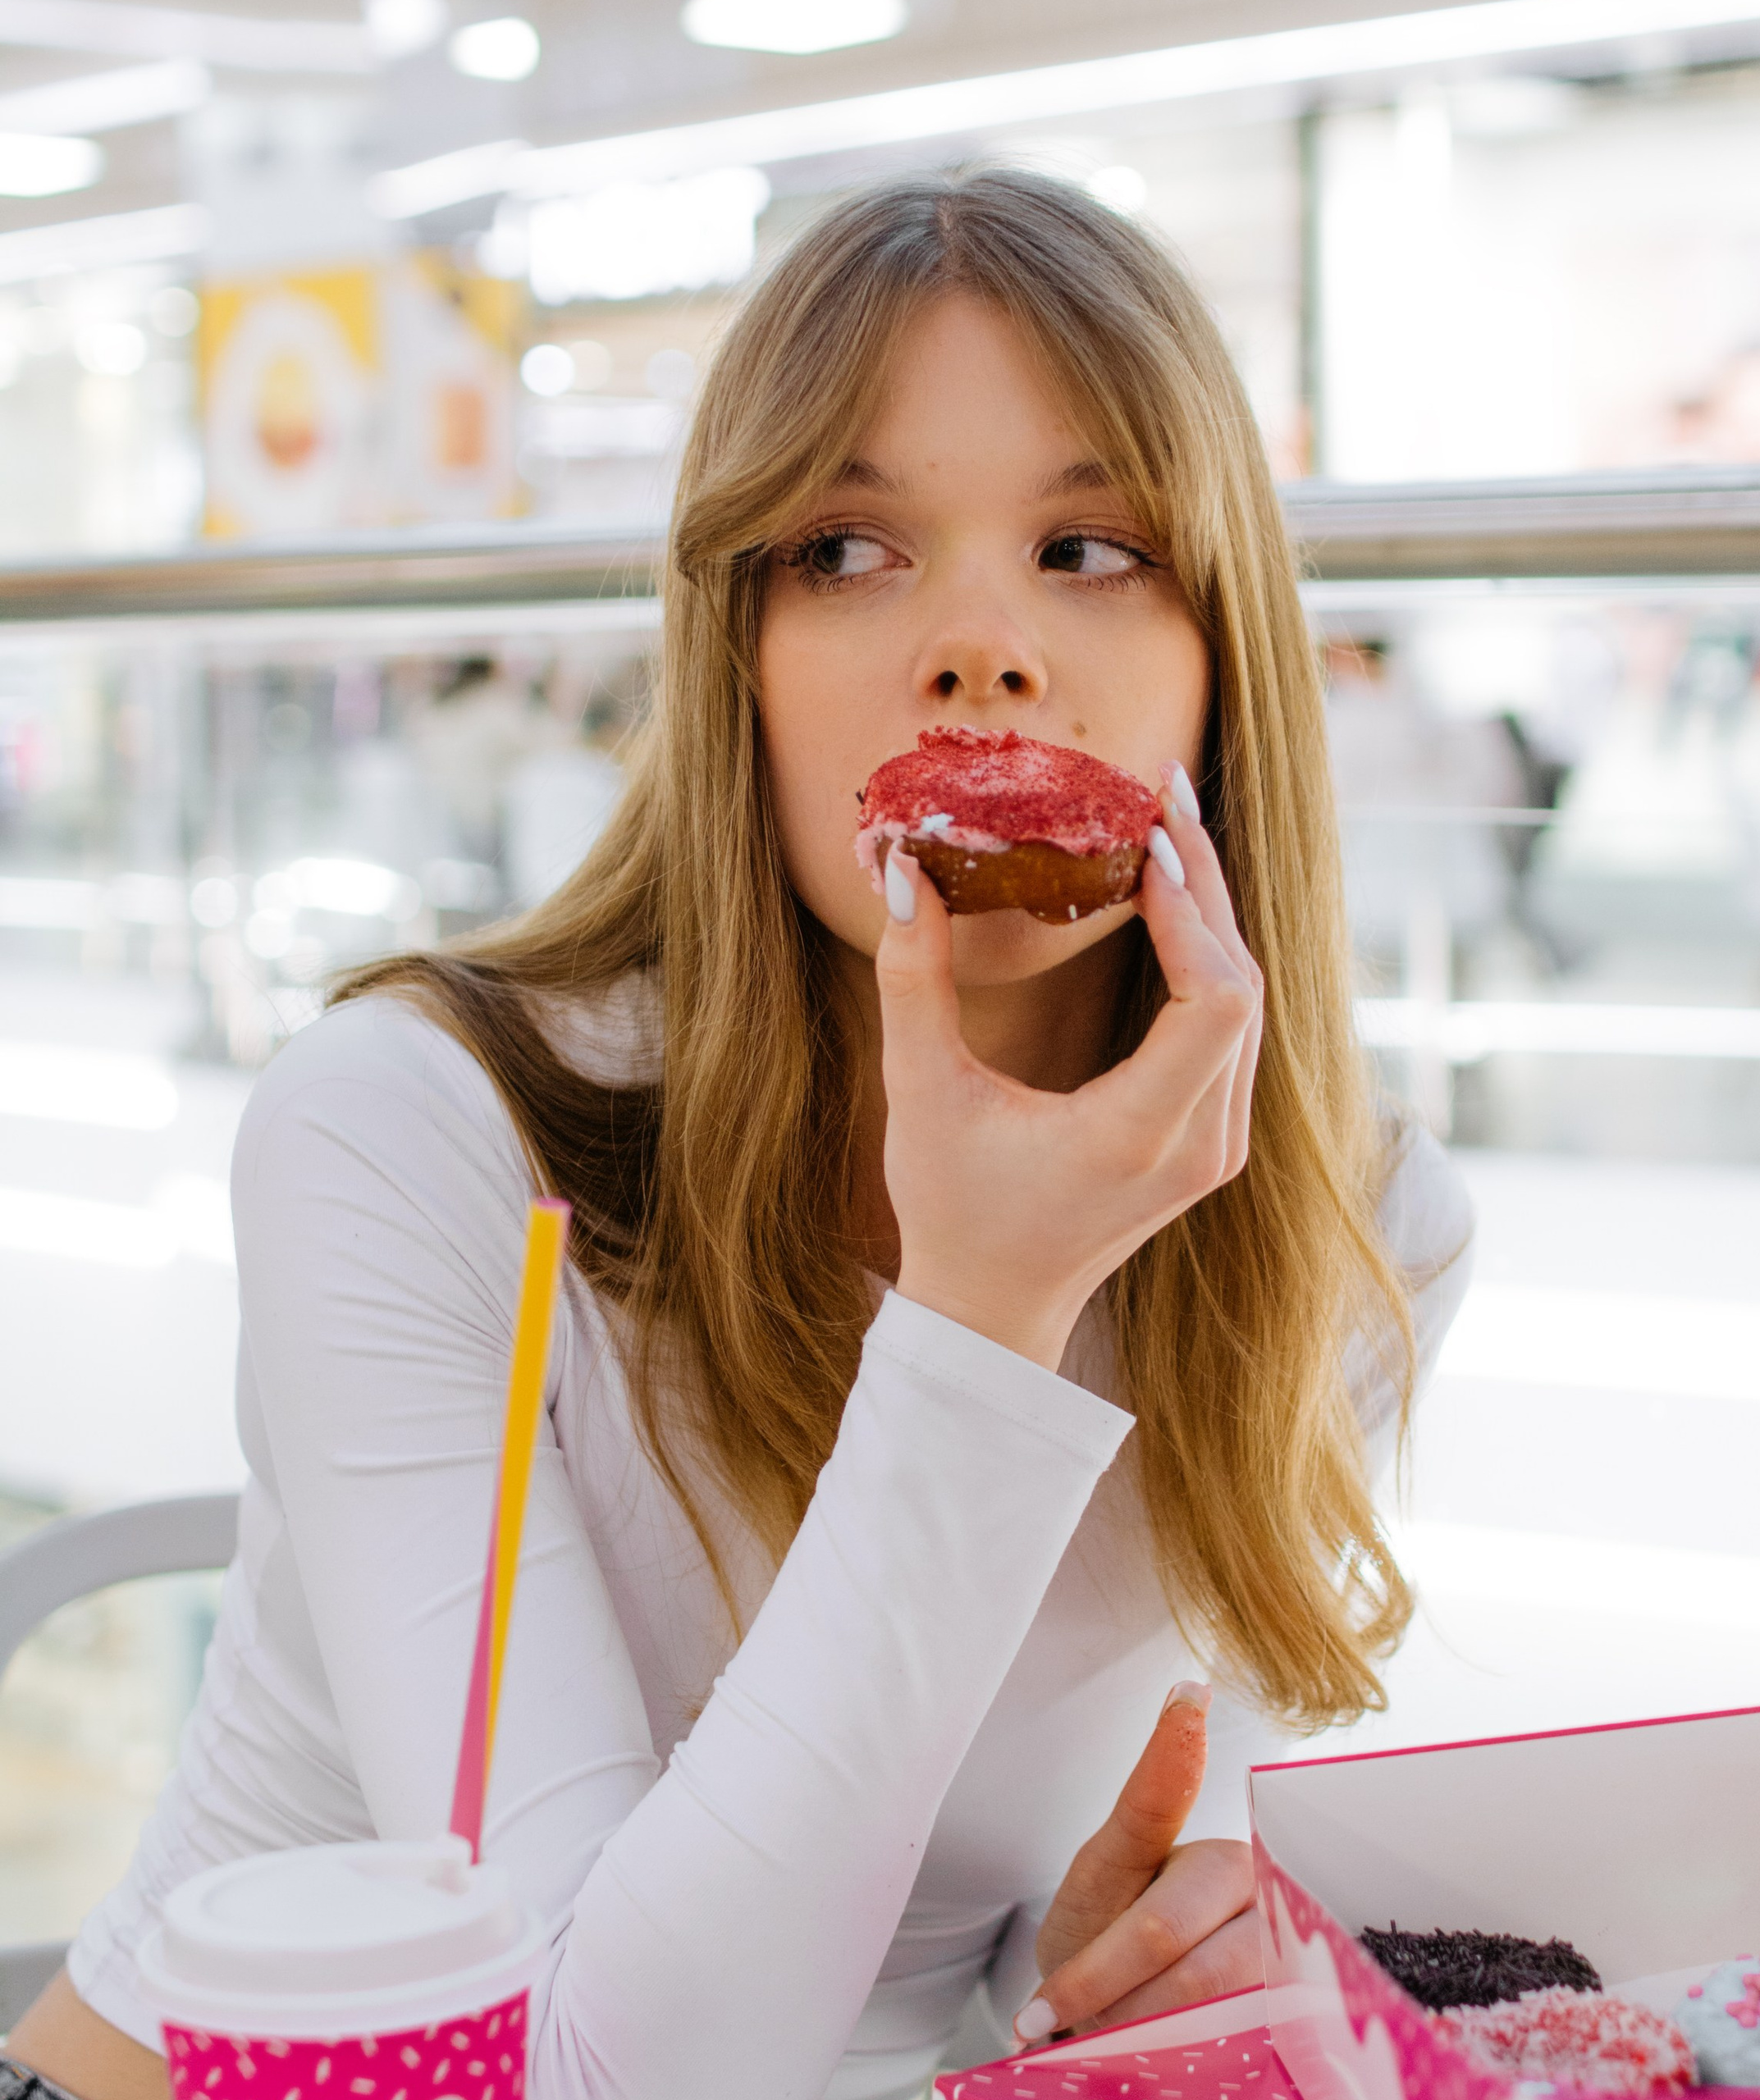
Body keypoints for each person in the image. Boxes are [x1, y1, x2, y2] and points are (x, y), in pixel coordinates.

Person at [9, 169, 1473, 2100]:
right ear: (735, 659)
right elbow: (586, 2067)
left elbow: (1011, 1919)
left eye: (1095, 544)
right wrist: (981, 1315)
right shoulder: (408, 1130)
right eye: (849, 550)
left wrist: (1126, 1946)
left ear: (1224, 659)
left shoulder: (1356, 1225)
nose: (978, 645)